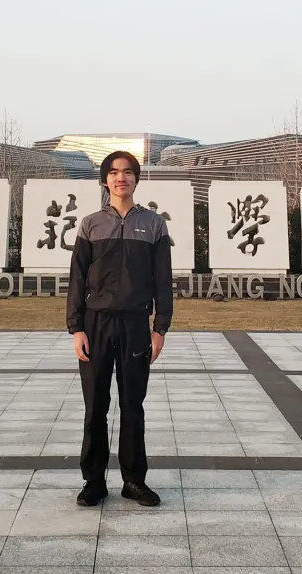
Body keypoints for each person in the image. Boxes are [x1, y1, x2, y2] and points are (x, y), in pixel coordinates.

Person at [67, 150, 172, 507]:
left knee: (132, 406)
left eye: (127, 172)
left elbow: (163, 281)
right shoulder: (91, 224)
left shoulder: (154, 225)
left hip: (135, 326)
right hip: (95, 326)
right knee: (95, 407)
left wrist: (159, 329)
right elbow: (77, 279)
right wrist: (76, 328)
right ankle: (94, 481)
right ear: (105, 180)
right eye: (113, 172)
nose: (120, 178)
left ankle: (134, 481)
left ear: (136, 179)